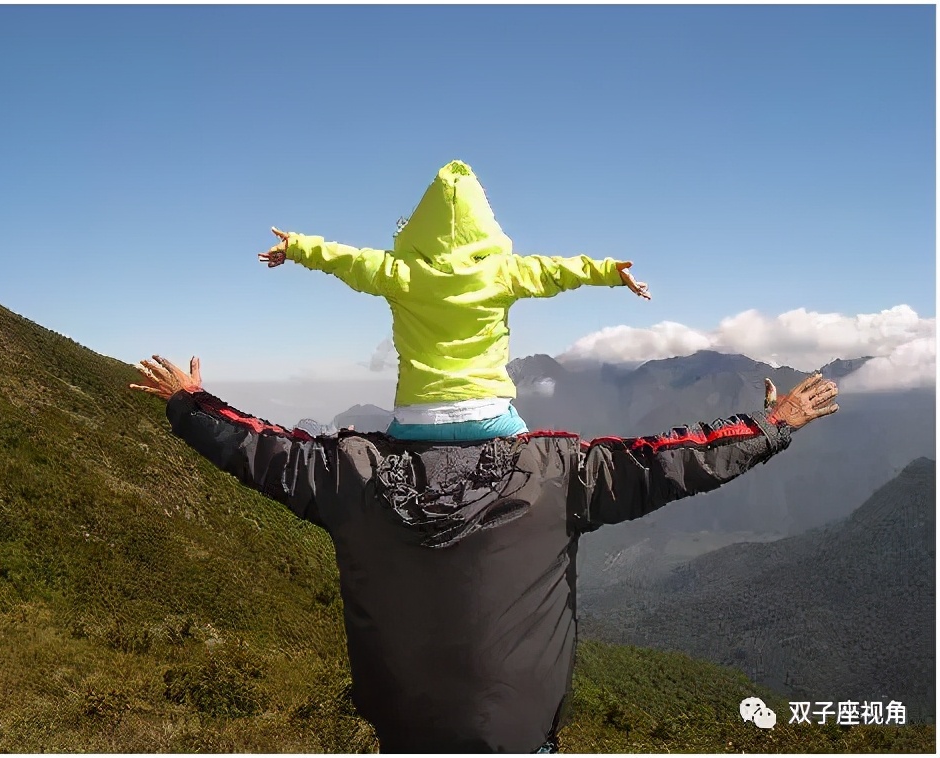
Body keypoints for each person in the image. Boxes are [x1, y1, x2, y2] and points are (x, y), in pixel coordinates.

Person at [130, 354, 838, 753]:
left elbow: (260, 448)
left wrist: (192, 403)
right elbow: (669, 462)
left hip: (407, 736)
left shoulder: (345, 474)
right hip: (518, 737)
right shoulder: (559, 472)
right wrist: (771, 424)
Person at [258, 160, 650, 442]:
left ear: (419, 221)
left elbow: (346, 259)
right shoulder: (503, 272)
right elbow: (555, 271)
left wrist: (298, 247)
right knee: (539, 475)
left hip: (417, 416)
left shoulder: (397, 272)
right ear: (482, 220)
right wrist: (609, 272)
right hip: (490, 414)